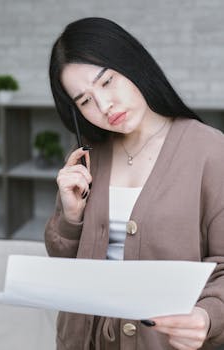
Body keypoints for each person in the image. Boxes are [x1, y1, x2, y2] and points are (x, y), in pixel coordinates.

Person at [45, 17, 224, 350]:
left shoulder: (212, 152)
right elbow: (64, 265)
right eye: (84, 101)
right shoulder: (87, 155)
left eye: (107, 81)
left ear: (133, 63)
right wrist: (70, 218)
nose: (103, 105)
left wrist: (208, 315)